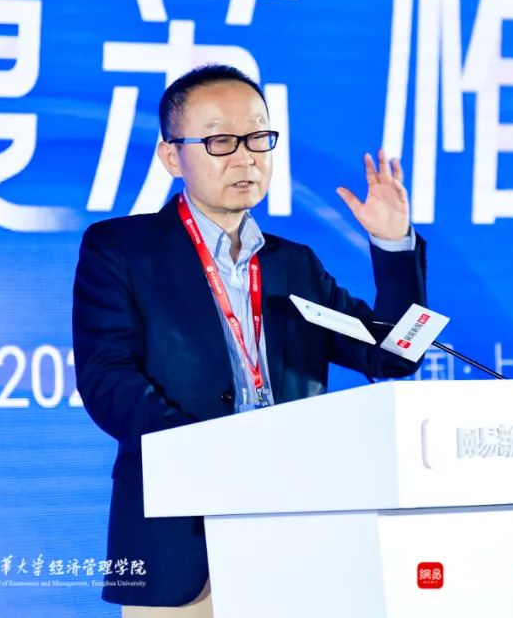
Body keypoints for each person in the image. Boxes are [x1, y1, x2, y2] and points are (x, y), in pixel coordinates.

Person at [72, 64, 427, 615]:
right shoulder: (122, 249)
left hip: (297, 537)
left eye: (258, 137)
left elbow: (395, 354)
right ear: (172, 157)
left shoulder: (294, 265)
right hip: (181, 541)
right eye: (220, 141)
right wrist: (212, 456)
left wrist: (394, 245)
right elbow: (107, 379)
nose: (245, 157)